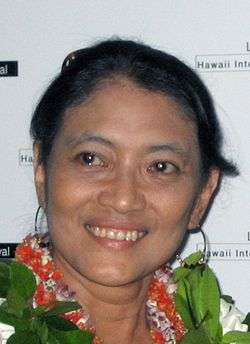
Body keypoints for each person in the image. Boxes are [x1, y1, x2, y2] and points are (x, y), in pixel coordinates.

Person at [1, 38, 239, 344]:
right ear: (41, 170)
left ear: (203, 194)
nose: (123, 199)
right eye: (91, 159)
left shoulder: (222, 333)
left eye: (160, 167)